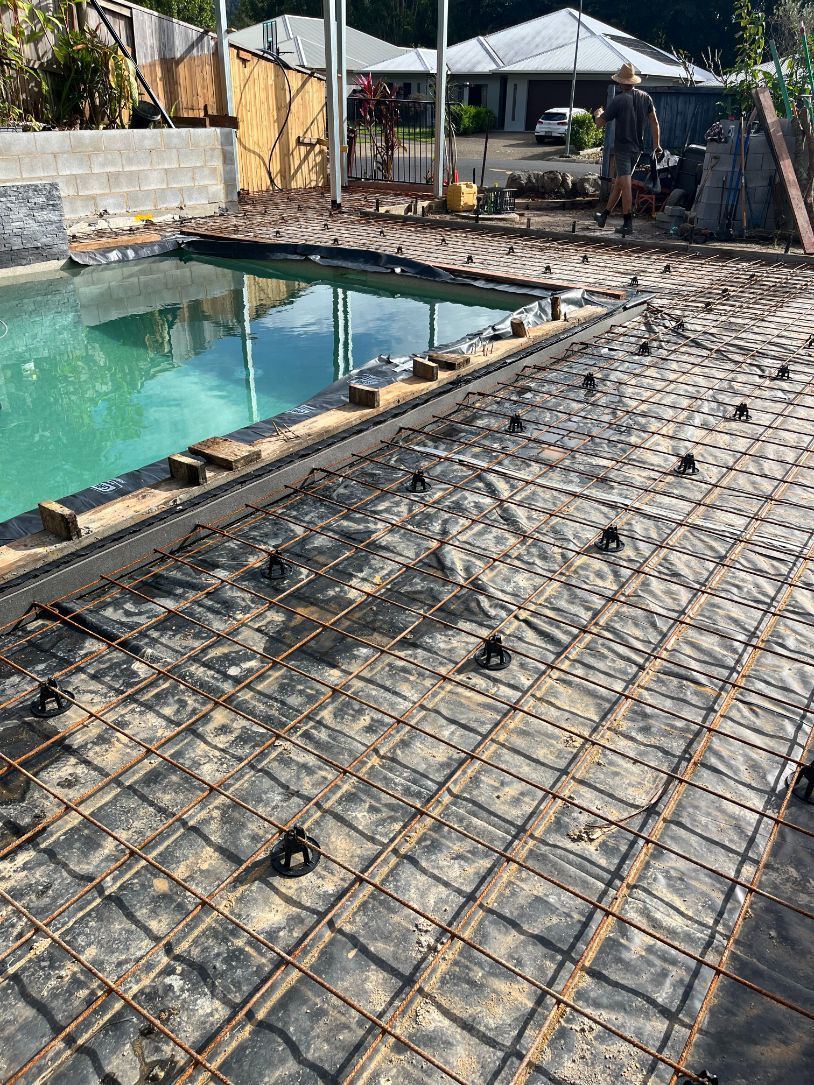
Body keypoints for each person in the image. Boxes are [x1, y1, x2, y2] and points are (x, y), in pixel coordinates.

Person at [592, 62, 662, 235]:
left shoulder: (619, 100)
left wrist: (597, 113)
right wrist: (657, 145)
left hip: (623, 148)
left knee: (626, 184)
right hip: (637, 148)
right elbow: (654, 122)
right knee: (621, 183)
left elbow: (599, 124)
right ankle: (604, 216)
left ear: (620, 83)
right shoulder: (645, 97)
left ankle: (627, 223)